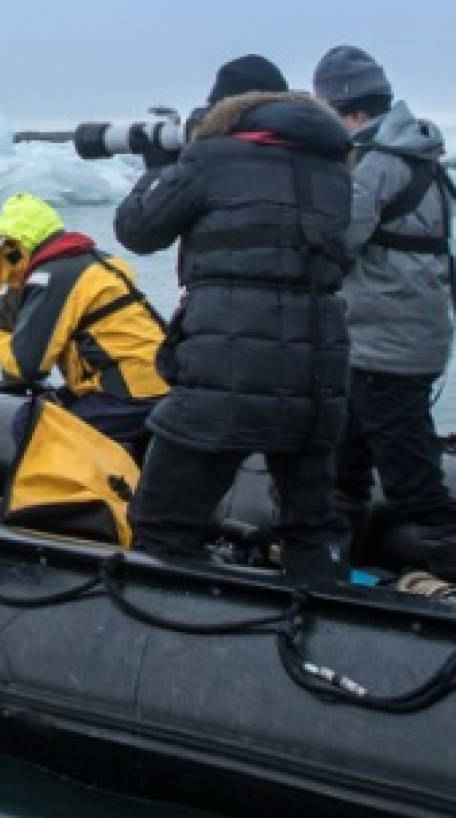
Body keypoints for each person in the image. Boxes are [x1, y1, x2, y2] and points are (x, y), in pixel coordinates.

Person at [115, 55, 355, 582]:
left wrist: (158, 168)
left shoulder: (212, 160)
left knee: (162, 526)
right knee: (310, 531)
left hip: (227, 370)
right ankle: (325, 631)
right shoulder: (335, 170)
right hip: (319, 372)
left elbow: (137, 230)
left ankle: (170, 642)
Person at [312, 46, 456, 572]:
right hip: (399, 337)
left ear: (345, 108)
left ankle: (444, 562)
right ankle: (336, 563)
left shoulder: (377, 167)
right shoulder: (419, 157)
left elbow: (337, 241)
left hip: (385, 346)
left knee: (407, 469)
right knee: (346, 459)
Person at [0, 193, 169, 459]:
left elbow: (26, 366)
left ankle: (73, 497)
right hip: (161, 382)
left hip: (130, 395)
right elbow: (11, 307)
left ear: (20, 244)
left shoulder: (51, 277)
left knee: (31, 427)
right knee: (53, 406)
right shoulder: (90, 262)